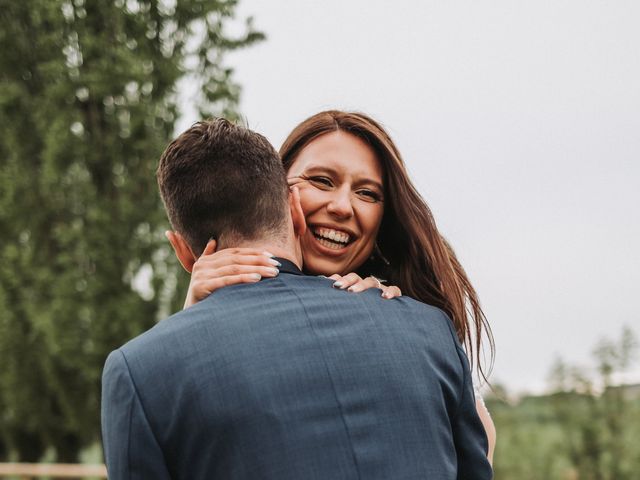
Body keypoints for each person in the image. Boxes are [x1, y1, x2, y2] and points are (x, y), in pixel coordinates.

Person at [101, 118, 493, 479]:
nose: (342, 206)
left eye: (367, 192)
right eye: (322, 181)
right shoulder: (423, 326)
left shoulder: (418, 319)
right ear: (284, 198)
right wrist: (196, 317)